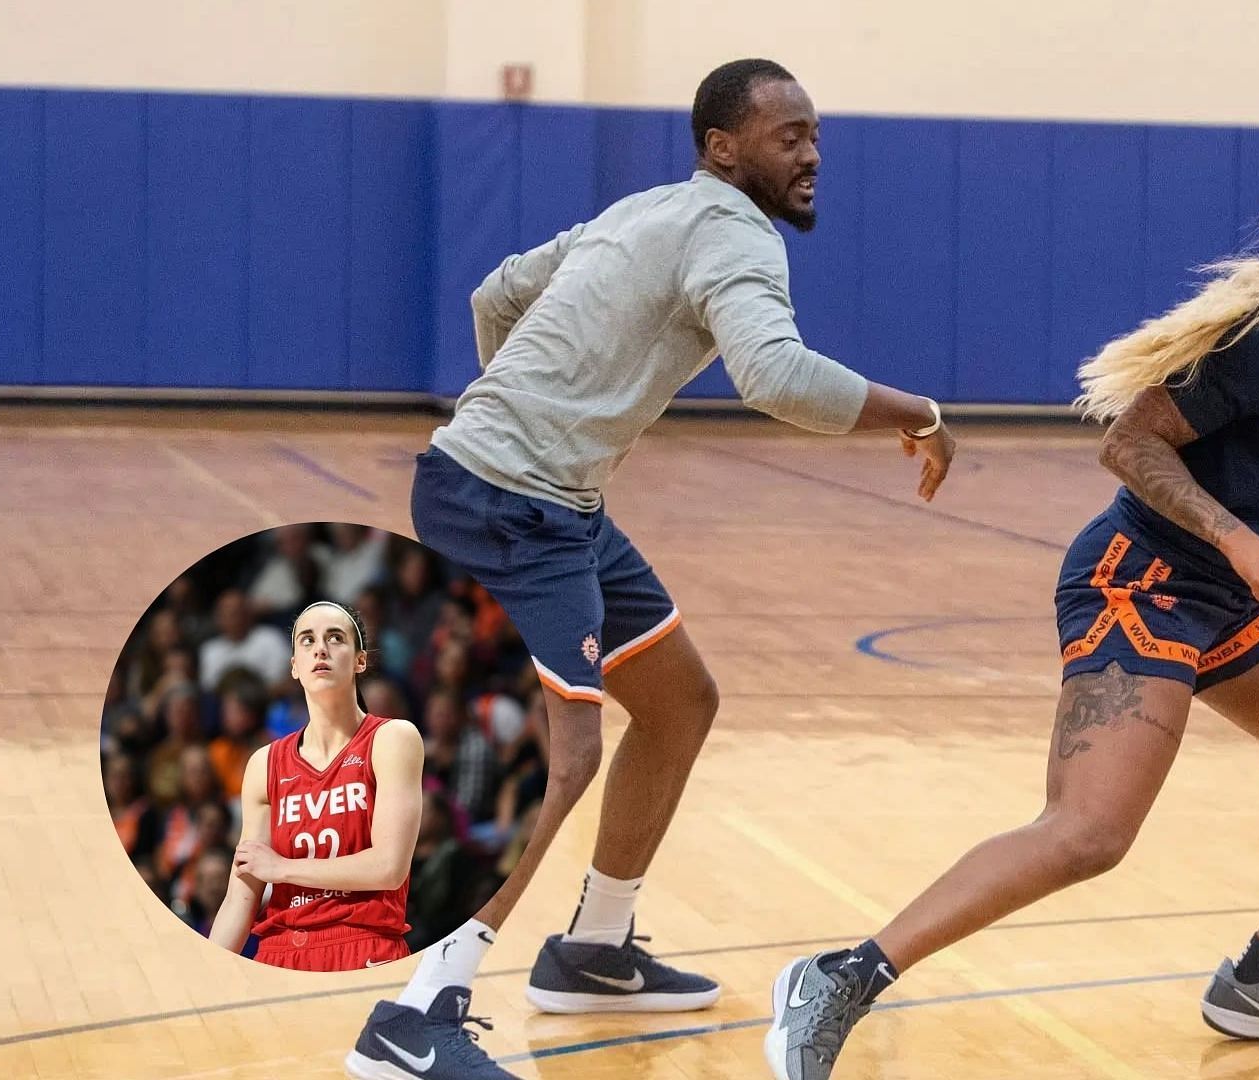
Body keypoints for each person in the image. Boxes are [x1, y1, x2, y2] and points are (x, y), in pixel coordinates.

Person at [765, 160, 1259, 1079]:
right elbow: (1129, 441)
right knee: (1087, 834)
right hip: (1136, 583)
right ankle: (840, 976)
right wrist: (1236, 538)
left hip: (1233, 599)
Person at [343, 57, 957, 1080]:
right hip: (510, 507)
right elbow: (775, 376)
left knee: (677, 702)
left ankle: (592, 946)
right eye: (787, 136)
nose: (810, 156)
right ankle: (418, 1011)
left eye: (814, 135)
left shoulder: (645, 210)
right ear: (724, 148)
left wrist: (531, 410)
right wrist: (919, 414)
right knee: (564, 751)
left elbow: (497, 293)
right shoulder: (730, 233)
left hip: (547, 502)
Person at [208, 602, 423, 972]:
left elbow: (388, 867)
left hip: (364, 943)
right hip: (279, 952)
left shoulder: (392, 738)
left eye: (335, 638)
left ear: (360, 661)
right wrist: (205, 974)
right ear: (294, 666)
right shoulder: (264, 763)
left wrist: (283, 868)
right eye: (307, 640)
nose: (320, 648)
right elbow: (239, 900)